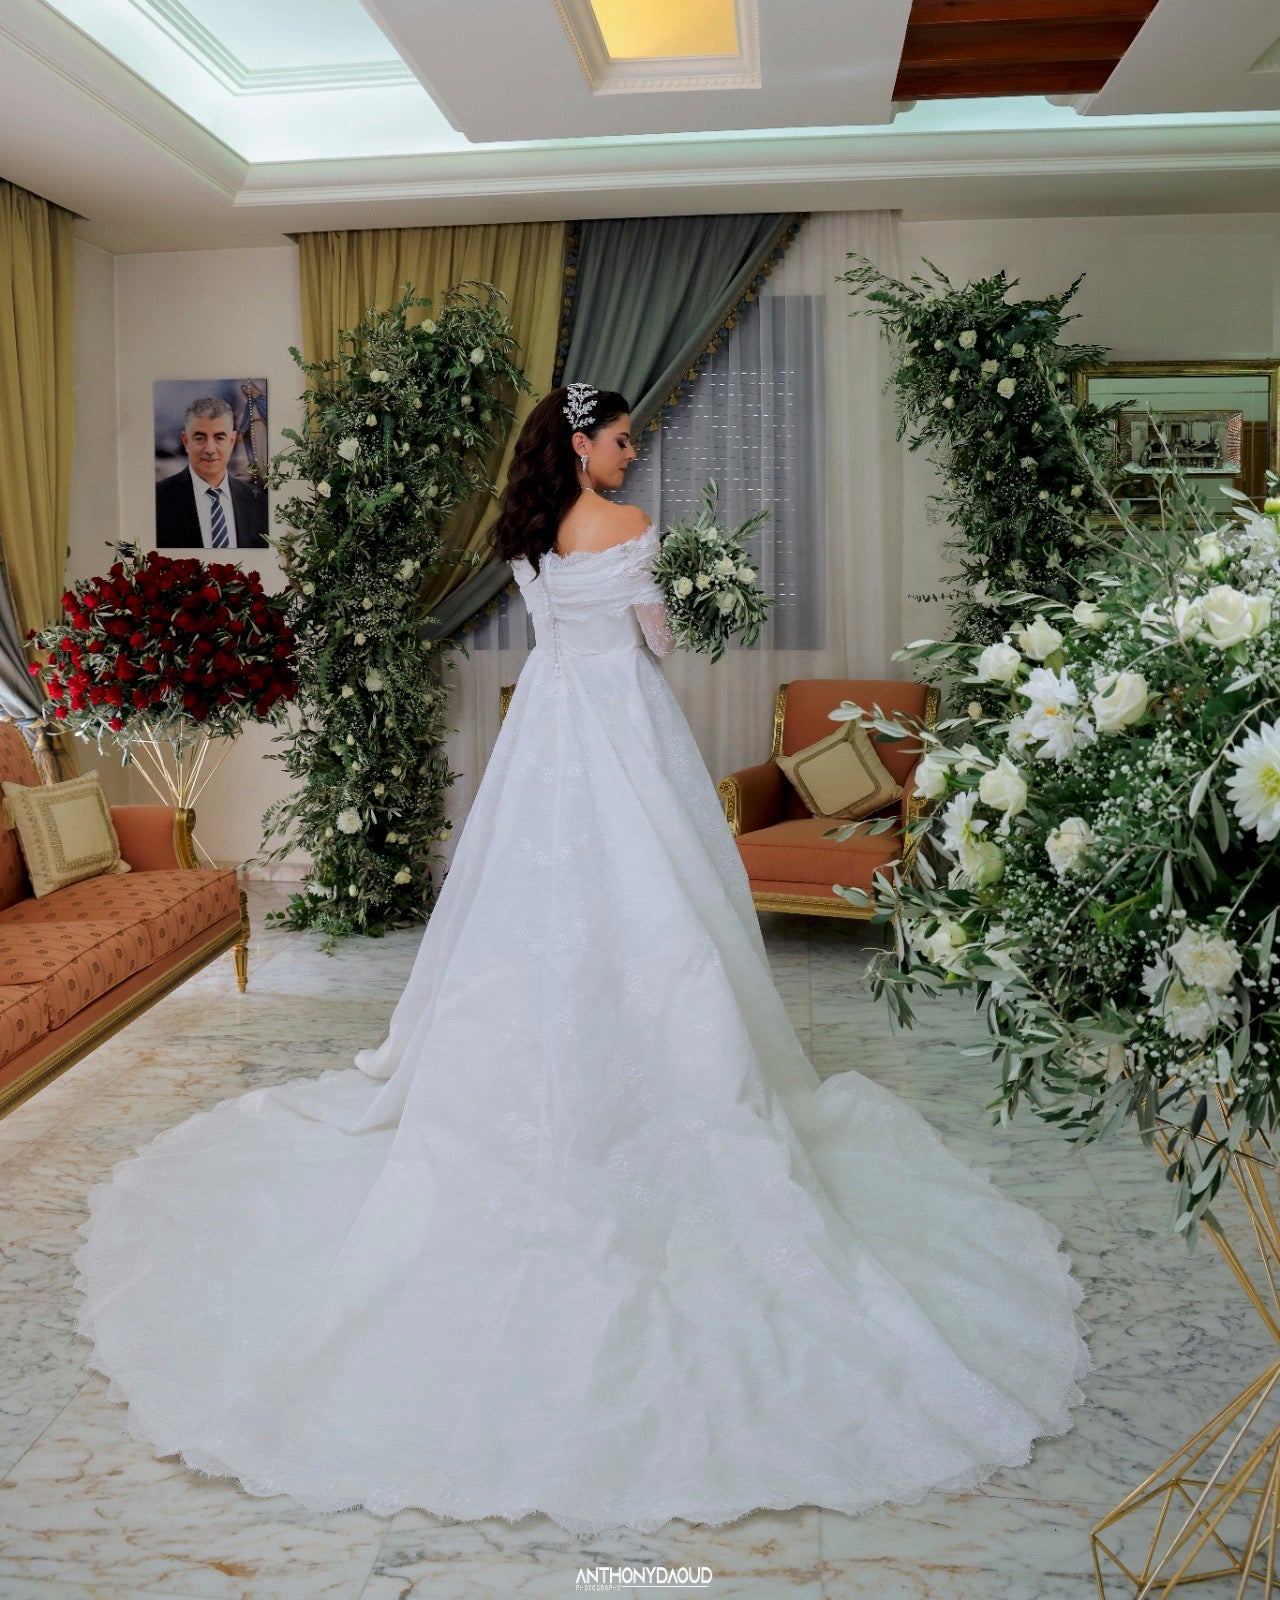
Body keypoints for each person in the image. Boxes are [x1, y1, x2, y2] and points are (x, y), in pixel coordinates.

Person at [74, 383, 1089, 1539]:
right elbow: (654, 640)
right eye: (617, 438)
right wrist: (682, 605)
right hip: (624, 725)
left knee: (525, 906)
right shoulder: (631, 525)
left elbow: (558, 634)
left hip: (547, 732)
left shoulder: (526, 533)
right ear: (580, 443)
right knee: (664, 902)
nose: (628, 451)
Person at [155, 395, 269, 549]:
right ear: (186, 441)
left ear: (232, 441)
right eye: (200, 438)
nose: (210, 449)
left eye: (219, 438)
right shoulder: (157, 500)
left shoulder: (260, 503)